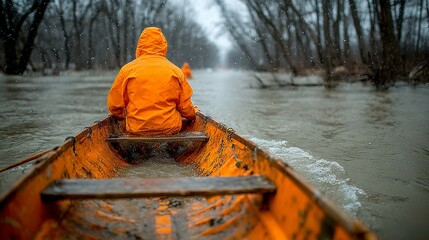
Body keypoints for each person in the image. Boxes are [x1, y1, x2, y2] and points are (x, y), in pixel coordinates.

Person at [107, 27, 197, 135]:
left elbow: (114, 106)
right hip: (169, 128)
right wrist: (193, 115)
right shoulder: (176, 71)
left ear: (140, 46)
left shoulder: (127, 70)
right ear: (163, 46)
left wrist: (123, 116)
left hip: (137, 129)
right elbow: (186, 109)